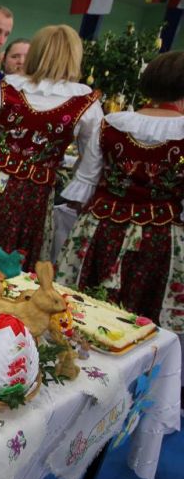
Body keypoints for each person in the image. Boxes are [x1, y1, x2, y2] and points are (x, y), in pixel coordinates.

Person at [0, 25, 103, 270]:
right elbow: (92, 162)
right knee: (14, 260)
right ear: (74, 57)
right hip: (34, 196)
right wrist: (77, 196)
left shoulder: (9, 88)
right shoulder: (84, 104)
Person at [56, 51, 184, 330]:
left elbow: (86, 181)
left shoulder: (113, 123)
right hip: (157, 239)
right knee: (141, 319)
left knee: (85, 310)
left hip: (102, 228)